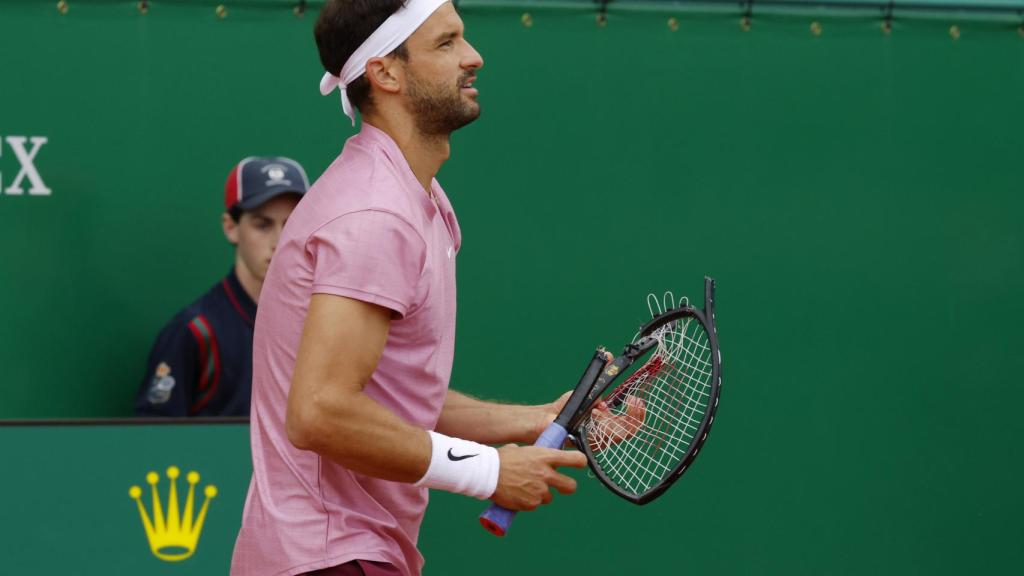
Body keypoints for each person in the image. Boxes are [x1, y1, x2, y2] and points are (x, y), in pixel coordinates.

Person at [230, 2, 598, 575]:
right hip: (331, 555)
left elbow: (389, 399)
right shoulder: (375, 214)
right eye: (446, 43)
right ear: (386, 72)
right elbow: (319, 412)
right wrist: (489, 471)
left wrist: (536, 418)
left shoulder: (412, 200)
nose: (474, 57)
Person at [134, 157, 309, 417]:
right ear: (231, 228)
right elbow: (155, 445)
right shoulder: (194, 331)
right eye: (262, 225)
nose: (279, 241)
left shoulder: (324, 323)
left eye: (291, 223)